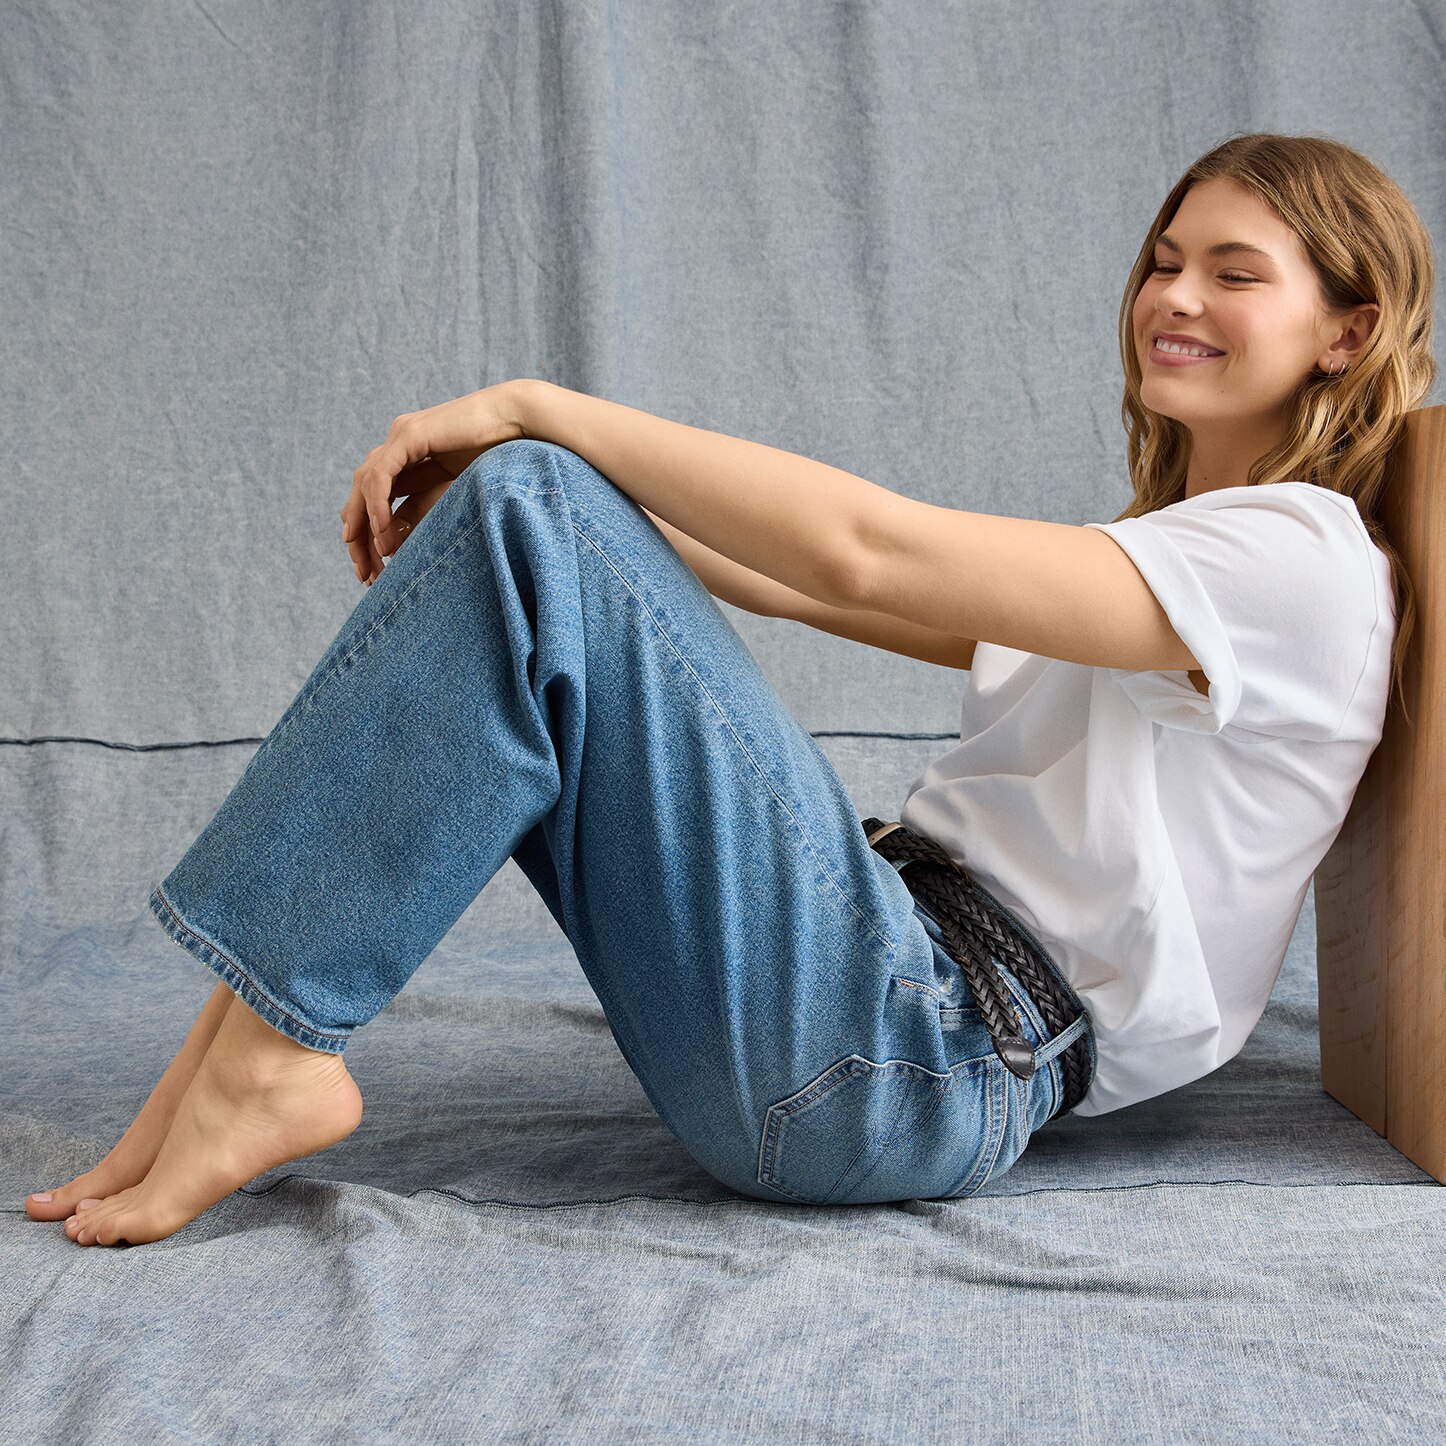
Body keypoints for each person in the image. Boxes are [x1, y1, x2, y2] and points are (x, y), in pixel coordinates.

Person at [28, 131, 1436, 1245]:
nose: (1174, 295)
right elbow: (799, 583)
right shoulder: (1168, 561)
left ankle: (272, 1060)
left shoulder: (1297, 560)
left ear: (1343, 332)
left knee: (537, 492)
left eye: (1234, 272)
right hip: (872, 1019)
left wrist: (541, 417)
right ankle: (235, 1054)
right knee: (535, 510)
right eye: (1163, 258)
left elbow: (869, 553)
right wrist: (539, 519)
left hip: (914, 1058)